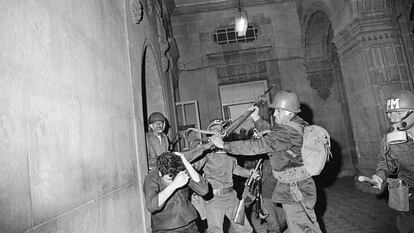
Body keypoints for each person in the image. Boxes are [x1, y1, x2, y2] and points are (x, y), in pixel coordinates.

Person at [210, 90, 322, 233]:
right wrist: (257, 118)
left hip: (296, 190)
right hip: (295, 186)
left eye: (278, 111)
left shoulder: (288, 132)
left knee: (303, 228)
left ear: (288, 112)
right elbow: (272, 135)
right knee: (296, 227)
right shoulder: (295, 125)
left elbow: (258, 145)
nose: (274, 114)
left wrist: (224, 145)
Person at [190, 119, 256, 233]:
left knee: (245, 229)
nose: (218, 132)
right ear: (210, 135)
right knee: (215, 230)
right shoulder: (206, 154)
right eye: (214, 130)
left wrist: (250, 173)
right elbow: (193, 168)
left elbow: (235, 169)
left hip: (231, 197)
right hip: (214, 200)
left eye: (220, 129)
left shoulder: (228, 151)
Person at [367, 90, 414, 233]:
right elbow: (386, 163)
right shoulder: (389, 139)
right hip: (410, 192)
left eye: (399, 113)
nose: (393, 118)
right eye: (389, 113)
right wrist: (379, 177)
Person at [143, 151, 209, 233]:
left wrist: (185, 162)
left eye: (174, 178)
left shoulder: (179, 171)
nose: (172, 180)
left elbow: (203, 190)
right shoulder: (152, 177)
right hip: (165, 228)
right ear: (160, 173)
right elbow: (152, 206)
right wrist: (174, 184)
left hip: (189, 225)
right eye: (169, 179)